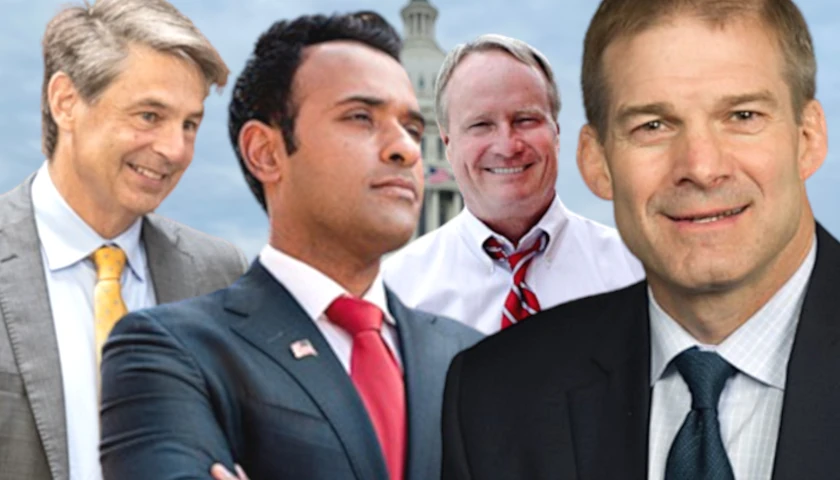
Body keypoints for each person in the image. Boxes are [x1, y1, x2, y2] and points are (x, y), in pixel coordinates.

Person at [441, 0, 840, 478]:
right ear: (597, 162)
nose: (701, 167)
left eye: (743, 115)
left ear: (809, 138)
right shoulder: (496, 396)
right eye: (653, 125)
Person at [99, 11, 481, 480]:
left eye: (413, 129)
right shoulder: (171, 352)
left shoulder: (475, 360)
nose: (404, 149)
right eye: (361, 117)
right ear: (266, 152)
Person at [0, 1, 247, 479]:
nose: (175, 150)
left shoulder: (221, 274)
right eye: (150, 116)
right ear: (65, 101)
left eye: (189, 124)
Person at [383, 34, 643, 335]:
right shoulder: (396, 292)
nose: (507, 147)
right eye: (481, 124)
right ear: (447, 145)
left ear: (556, 134)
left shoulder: (639, 273)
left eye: (525, 120)